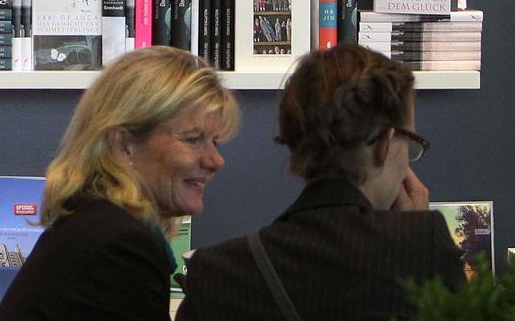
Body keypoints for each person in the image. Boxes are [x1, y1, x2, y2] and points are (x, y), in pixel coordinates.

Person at [177, 44, 466, 321]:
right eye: (410, 142)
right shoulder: (424, 247)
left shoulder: (216, 272)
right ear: (385, 144)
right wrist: (414, 240)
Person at [0, 47, 240, 321]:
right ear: (124, 144)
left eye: (215, 142)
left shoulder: (92, 226)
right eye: (193, 139)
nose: (216, 160)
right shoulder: (119, 247)